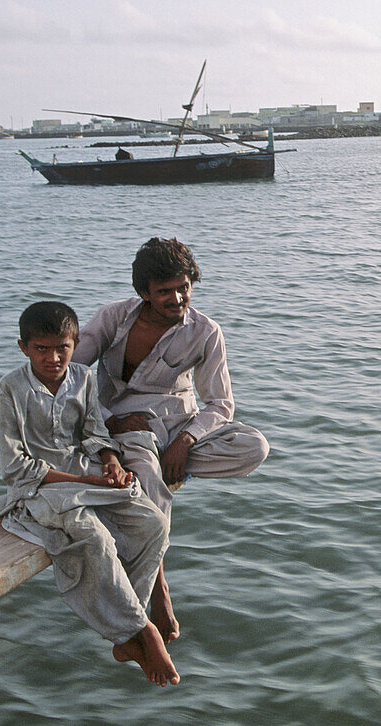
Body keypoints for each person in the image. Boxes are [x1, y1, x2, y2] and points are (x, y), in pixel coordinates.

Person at [0, 301, 179, 686]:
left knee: (153, 523)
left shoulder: (82, 378)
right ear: (24, 348)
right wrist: (89, 483)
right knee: (93, 538)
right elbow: (15, 466)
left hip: (87, 471)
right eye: (41, 349)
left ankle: (126, 628)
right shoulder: (9, 390)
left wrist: (111, 461)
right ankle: (141, 629)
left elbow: (94, 432)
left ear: (76, 343)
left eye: (62, 348)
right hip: (42, 487)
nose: (53, 358)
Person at [73, 237, 268, 644]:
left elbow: (220, 403)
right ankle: (147, 605)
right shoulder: (113, 319)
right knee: (147, 485)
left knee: (254, 447)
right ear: (144, 292)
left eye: (184, 287)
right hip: (128, 428)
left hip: (179, 426)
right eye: (164, 291)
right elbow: (74, 375)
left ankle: (159, 469)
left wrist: (186, 440)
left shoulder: (205, 331)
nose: (177, 297)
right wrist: (111, 419)